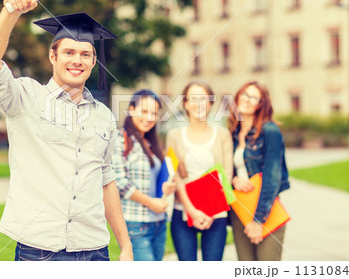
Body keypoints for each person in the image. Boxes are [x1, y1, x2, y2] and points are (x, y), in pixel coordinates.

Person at [0, 0, 133, 261]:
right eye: (69, 52)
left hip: (94, 251)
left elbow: (106, 181)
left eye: (85, 54)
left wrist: (125, 245)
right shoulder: (25, 98)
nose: (77, 60)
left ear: (94, 61)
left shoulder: (104, 116)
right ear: (53, 56)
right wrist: (10, 12)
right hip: (39, 252)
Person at [165, 80, 233, 261]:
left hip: (216, 214)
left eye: (204, 98)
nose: (199, 104)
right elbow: (175, 175)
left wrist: (209, 211)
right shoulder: (173, 136)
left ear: (211, 103)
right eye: (193, 99)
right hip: (183, 212)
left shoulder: (223, 135)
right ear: (185, 103)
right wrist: (192, 210)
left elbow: (226, 174)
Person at [228, 81, 290, 261]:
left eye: (254, 97)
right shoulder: (233, 133)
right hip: (239, 211)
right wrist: (233, 180)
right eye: (245, 94)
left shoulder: (270, 131)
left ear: (261, 105)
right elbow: (226, 169)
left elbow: (272, 177)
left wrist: (258, 220)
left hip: (265, 211)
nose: (247, 100)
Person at [112, 90, 176, 261]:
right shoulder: (119, 139)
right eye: (144, 111)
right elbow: (119, 183)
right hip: (135, 224)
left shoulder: (151, 143)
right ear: (132, 109)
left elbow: (153, 181)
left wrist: (166, 187)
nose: (149, 117)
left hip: (159, 223)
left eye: (154, 113)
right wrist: (150, 203)